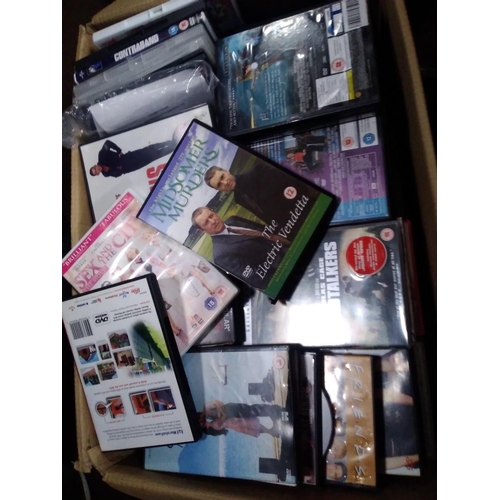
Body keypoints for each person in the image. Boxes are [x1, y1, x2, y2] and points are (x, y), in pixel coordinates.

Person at [203, 161, 320, 240]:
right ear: (219, 189)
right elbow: (264, 215)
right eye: (219, 184)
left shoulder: (256, 172)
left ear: (226, 171)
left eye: (222, 177)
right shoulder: (238, 198)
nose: (225, 182)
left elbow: (292, 182)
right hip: (293, 228)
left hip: (309, 209)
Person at [191, 207, 291, 288]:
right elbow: (258, 280)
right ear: (202, 230)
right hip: (286, 271)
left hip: (290, 246)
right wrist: (285, 274)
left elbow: (265, 230)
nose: (213, 221)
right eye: (206, 223)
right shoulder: (221, 255)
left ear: (214, 212)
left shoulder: (233, 220)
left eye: (211, 216)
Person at [89, 139, 175, 178]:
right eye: (96, 172)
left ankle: (169, 143)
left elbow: (107, 143)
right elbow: (117, 174)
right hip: (129, 168)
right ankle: (172, 148)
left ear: (94, 165)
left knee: (148, 150)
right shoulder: (106, 174)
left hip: (127, 158)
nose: (97, 170)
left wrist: (119, 150)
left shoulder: (101, 156)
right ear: (98, 174)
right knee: (151, 158)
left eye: (94, 168)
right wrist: (117, 169)